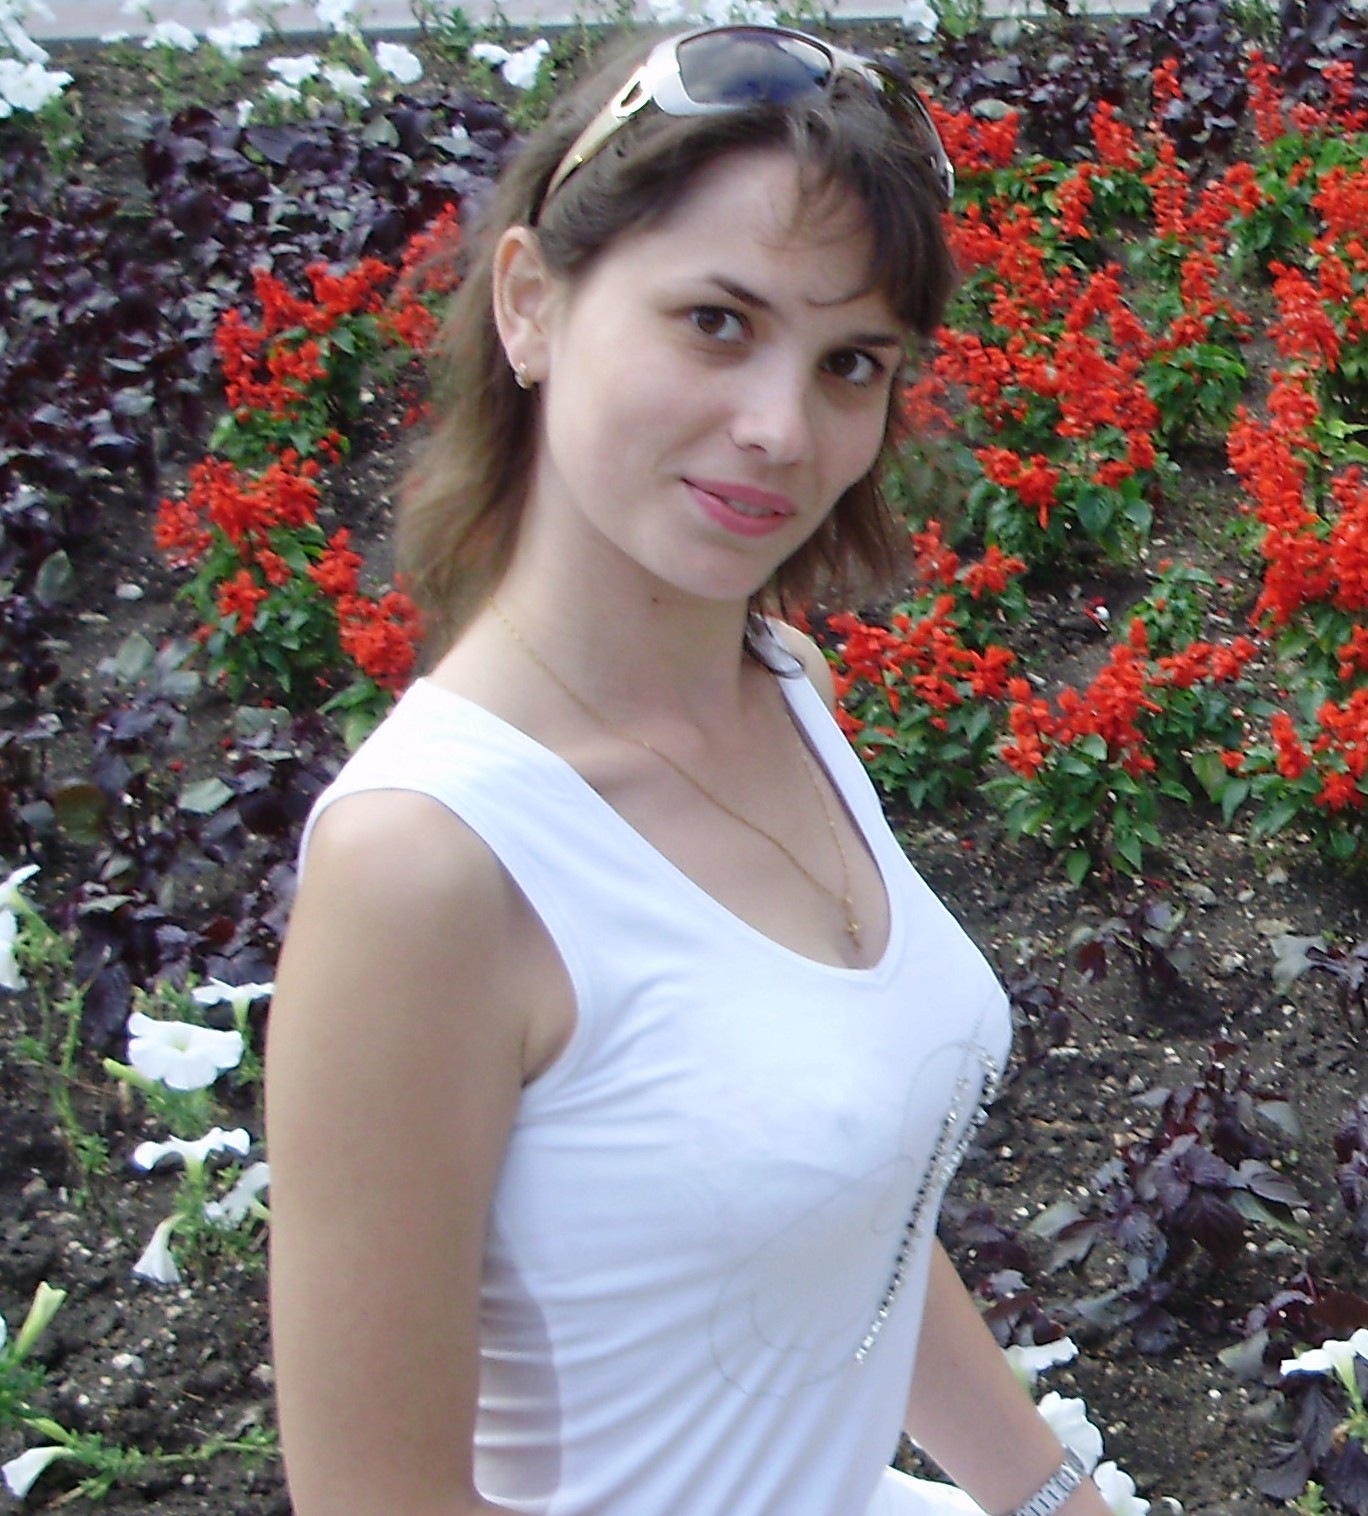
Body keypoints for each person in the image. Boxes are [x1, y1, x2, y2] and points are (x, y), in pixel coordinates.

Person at [266, 24, 1115, 1516]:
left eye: (850, 363)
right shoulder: (430, 868)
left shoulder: (787, 694)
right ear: (530, 304)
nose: (782, 428)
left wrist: (1049, 1498)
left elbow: (842, 1214)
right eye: (717, 322)